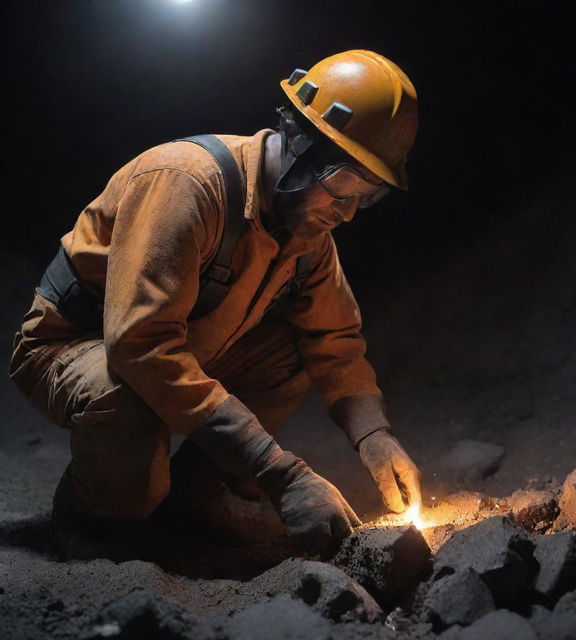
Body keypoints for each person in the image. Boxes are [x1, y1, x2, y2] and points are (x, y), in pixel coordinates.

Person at [9, 50, 421, 558]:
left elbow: (333, 337)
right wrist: (278, 473)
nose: (349, 213)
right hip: (74, 345)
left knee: (295, 349)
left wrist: (373, 435)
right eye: (342, 185)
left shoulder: (306, 229)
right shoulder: (188, 185)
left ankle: (200, 496)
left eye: (367, 196)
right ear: (298, 143)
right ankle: (90, 514)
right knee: (130, 408)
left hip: (168, 344)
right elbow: (140, 347)